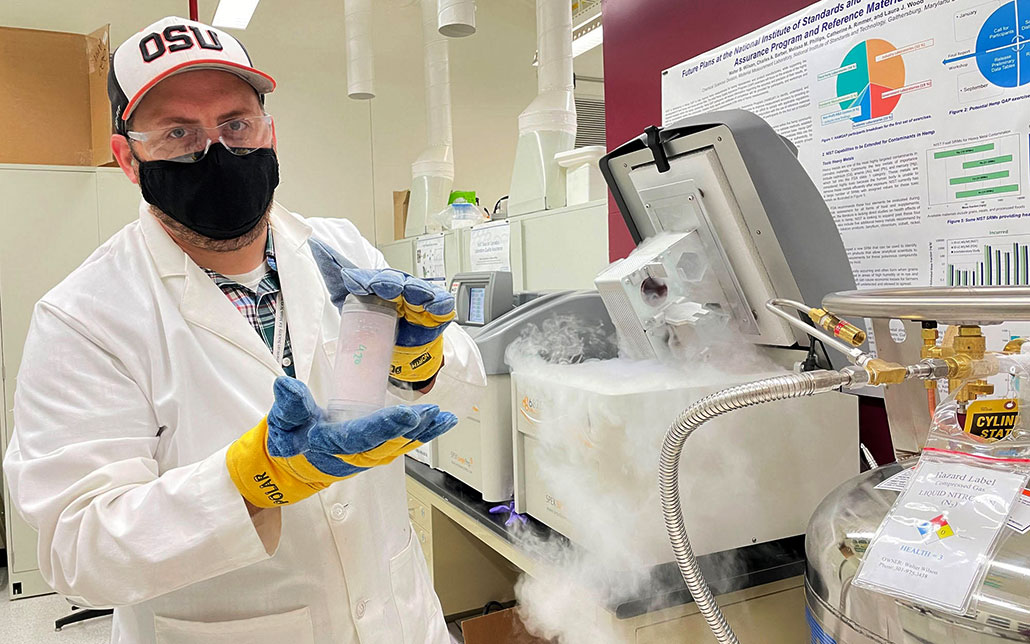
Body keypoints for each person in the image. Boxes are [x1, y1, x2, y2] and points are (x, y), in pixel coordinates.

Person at [3, 16, 485, 644]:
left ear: (269, 131)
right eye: (178, 133)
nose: (217, 151)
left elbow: (451, 402)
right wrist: (254, 479)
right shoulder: (86, 317)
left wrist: (421, 368)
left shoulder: (339, 249)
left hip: (401, 621)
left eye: (235, 124)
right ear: (128, 157)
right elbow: (80, 548)